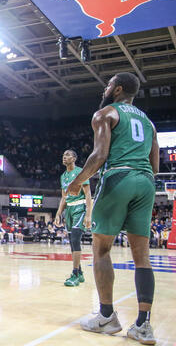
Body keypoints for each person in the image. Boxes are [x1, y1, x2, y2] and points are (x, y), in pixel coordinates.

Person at [67, 73, 159, 344]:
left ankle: (107, 316)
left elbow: (100, 155)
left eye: (108, 85)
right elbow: (155, 167)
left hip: (120, 177)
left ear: (117, 89)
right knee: (142, 257)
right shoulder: (149, 122)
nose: (104, 89)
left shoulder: (105, 113)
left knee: (102, 248)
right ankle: (143, 326)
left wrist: (77, 181)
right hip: (146, 183)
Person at [54, 149, 93, 287]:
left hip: (80, 208)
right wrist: (58, 213)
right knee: (72, 242)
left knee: (76, 239)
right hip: (69, 210)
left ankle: (75, 274)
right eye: (63, 155)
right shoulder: (63, 176)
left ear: (74, 158)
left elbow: (88, 195)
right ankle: (80, 272)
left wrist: (89, 214)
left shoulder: (81, 172)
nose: (64, 157)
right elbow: (64, 197)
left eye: (68, 155)